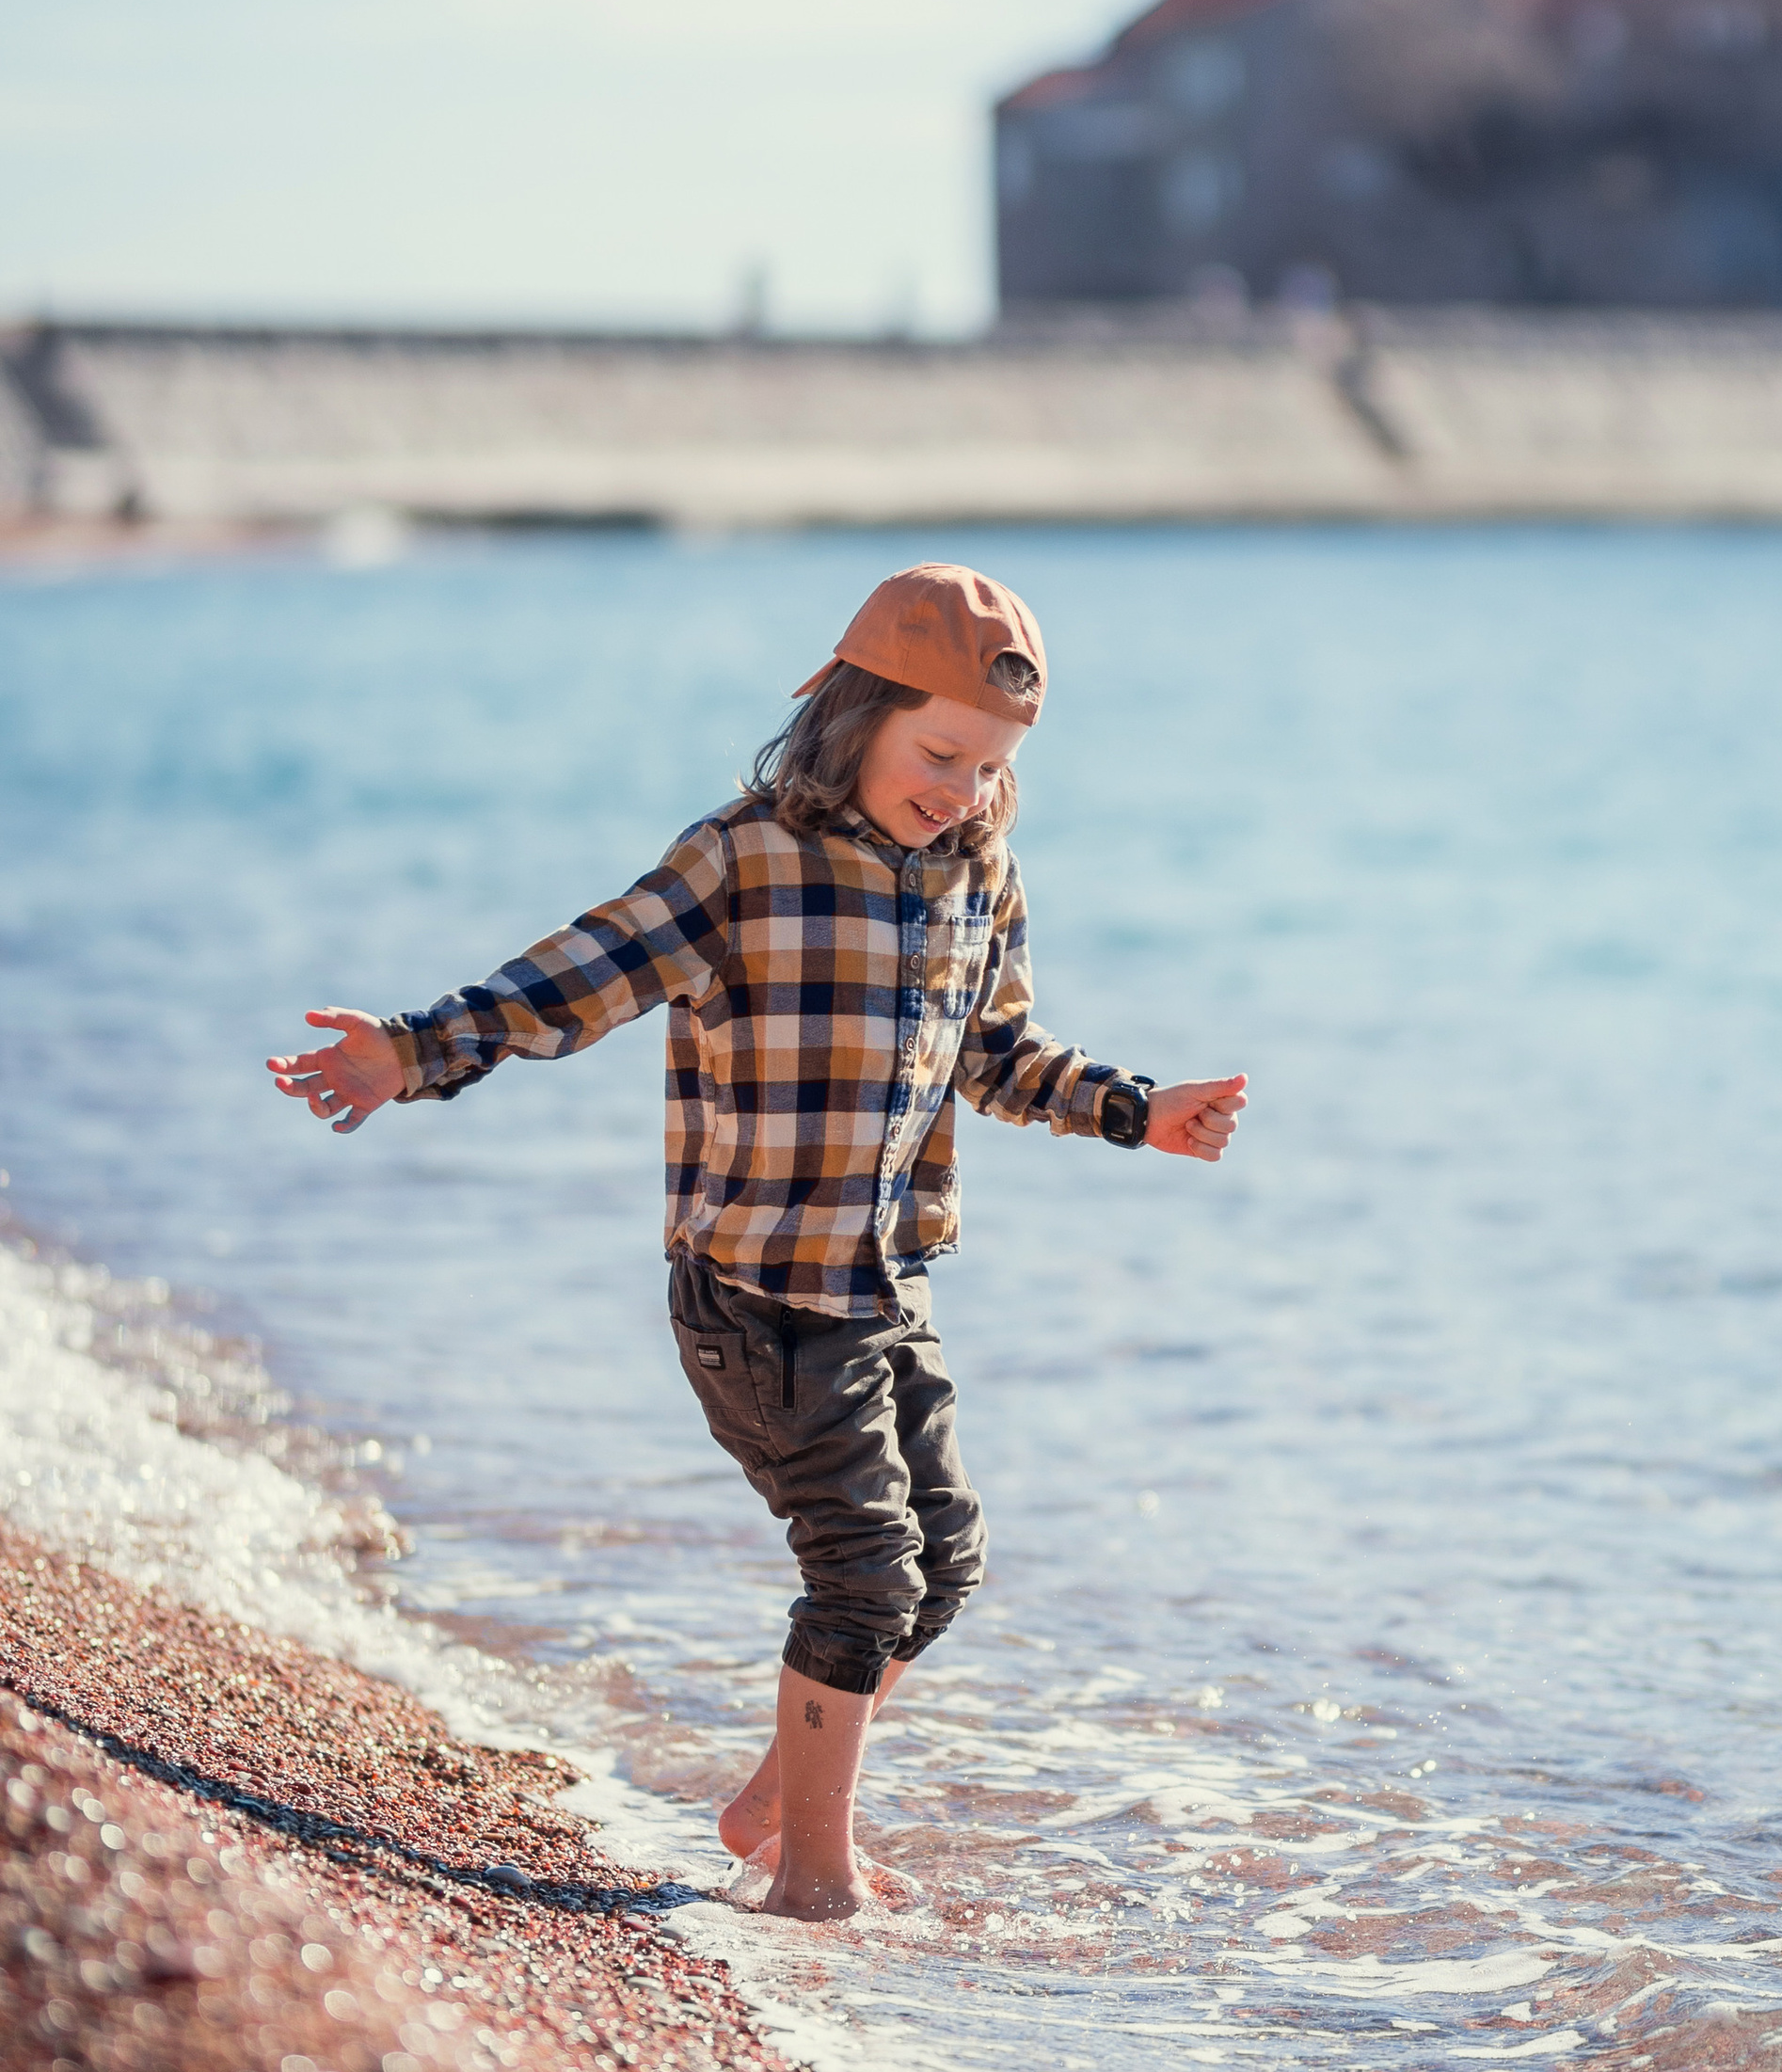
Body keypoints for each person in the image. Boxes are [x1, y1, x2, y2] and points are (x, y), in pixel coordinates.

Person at [267, 562, 1246, 1923]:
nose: (963, 790)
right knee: (863, 1573)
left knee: (943, 1563)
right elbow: (577, 977)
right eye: (940, 755)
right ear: (856, 714)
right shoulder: (742, 858)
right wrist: (412, 1051)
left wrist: (1139, 1111)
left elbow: (1000, 1056)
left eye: (992, 767)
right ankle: (812, 1879)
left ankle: (772, 1809)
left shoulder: (978, 873)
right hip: (757, 1294)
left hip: (884, 1283)